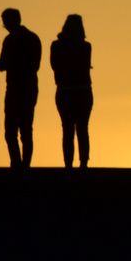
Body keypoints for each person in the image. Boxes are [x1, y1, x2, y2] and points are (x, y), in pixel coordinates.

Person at [0, 8, 41, 168]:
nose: (5, 26)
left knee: (15, 131)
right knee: (22, 130)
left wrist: (7, 64)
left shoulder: (13, 40)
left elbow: (32, 65)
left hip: (19, 88)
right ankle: (22, 164)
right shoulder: (32, 38)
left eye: (6, 23)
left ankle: (18, 163)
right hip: (24, 88)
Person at [49, 14, 94, 169]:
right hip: (83, 90)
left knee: (67, 129)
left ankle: (68, 164)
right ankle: (83, 164)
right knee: (82, 128)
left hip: (64, 90)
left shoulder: (56, 45)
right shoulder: (86, 46)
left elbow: (54, 65)